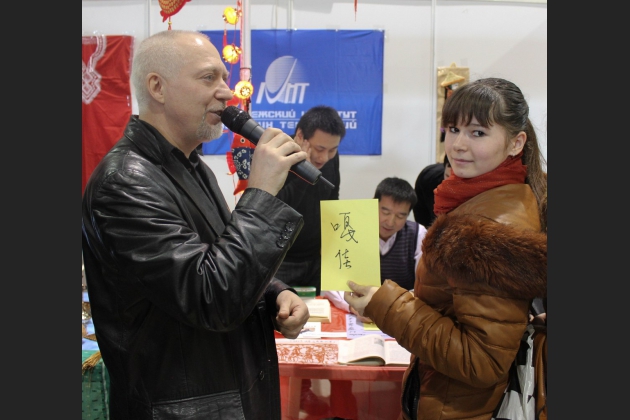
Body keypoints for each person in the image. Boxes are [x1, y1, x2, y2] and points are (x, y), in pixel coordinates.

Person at [81, 30, 311, 420]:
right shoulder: (125, 182)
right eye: (208, 78)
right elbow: (210, 296)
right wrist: (260, 195)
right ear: (158, 87)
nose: (226, 92)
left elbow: (215, 256)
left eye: (224, 78)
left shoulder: (190, 166)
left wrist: (275, 292)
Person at [344, 77, 547, 420]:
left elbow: (481, 361)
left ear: (516, 143)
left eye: (478, 133)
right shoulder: (485, 201)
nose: (458, 145)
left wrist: (387, 305)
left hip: (460, 408)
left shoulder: (488, 229)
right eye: (453, 129)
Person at [273, 105, 345, 416]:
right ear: (300, 136)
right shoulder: (277, 158)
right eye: (319, 149)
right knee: (285, 328)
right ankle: (284, 398)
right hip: (284, 260)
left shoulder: (330, 158)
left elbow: (332, 200)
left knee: (317, 326)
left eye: (333, 150)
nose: (325, 157)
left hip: (317, 256)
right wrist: (302, 167)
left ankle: (306, 392)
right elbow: (276, 209)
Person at [324, 176, 427, 321]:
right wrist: (353, 306)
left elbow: (423, 286)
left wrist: (393, 307)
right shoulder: (350, 230)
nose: (390, 222)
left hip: (400, 316)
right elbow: (333, 284)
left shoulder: (417, 234)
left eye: (400, 216)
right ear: (373, 204)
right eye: (385, 212)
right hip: (358, 314)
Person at [413, 136, 452, 227]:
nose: (450, 183)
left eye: (456, 178)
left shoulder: (479, 188)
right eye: (447, 176)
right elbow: (421, 215)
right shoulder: (428, 177)